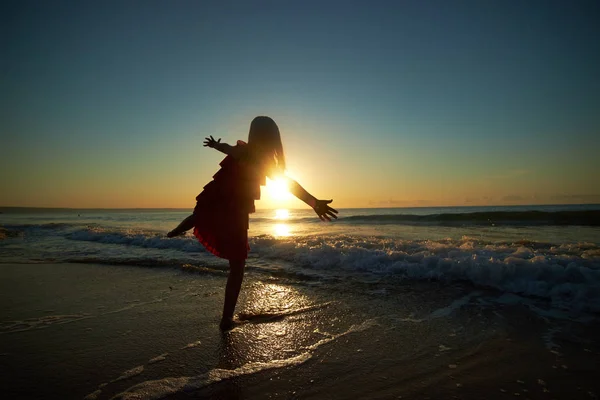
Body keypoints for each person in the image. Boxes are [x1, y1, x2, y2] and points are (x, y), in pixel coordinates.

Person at [167, 116, 338, 330]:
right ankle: (226, 318)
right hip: (235, 208)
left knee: (200, 215)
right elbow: (289, 185)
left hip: (218, 198)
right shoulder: (263, 162)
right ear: (274, 138)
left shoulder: (246, 153)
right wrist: (313, 202)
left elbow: (227, 148)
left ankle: (176, 231)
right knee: (237, 265)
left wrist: (215, 145)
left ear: (253, 134)